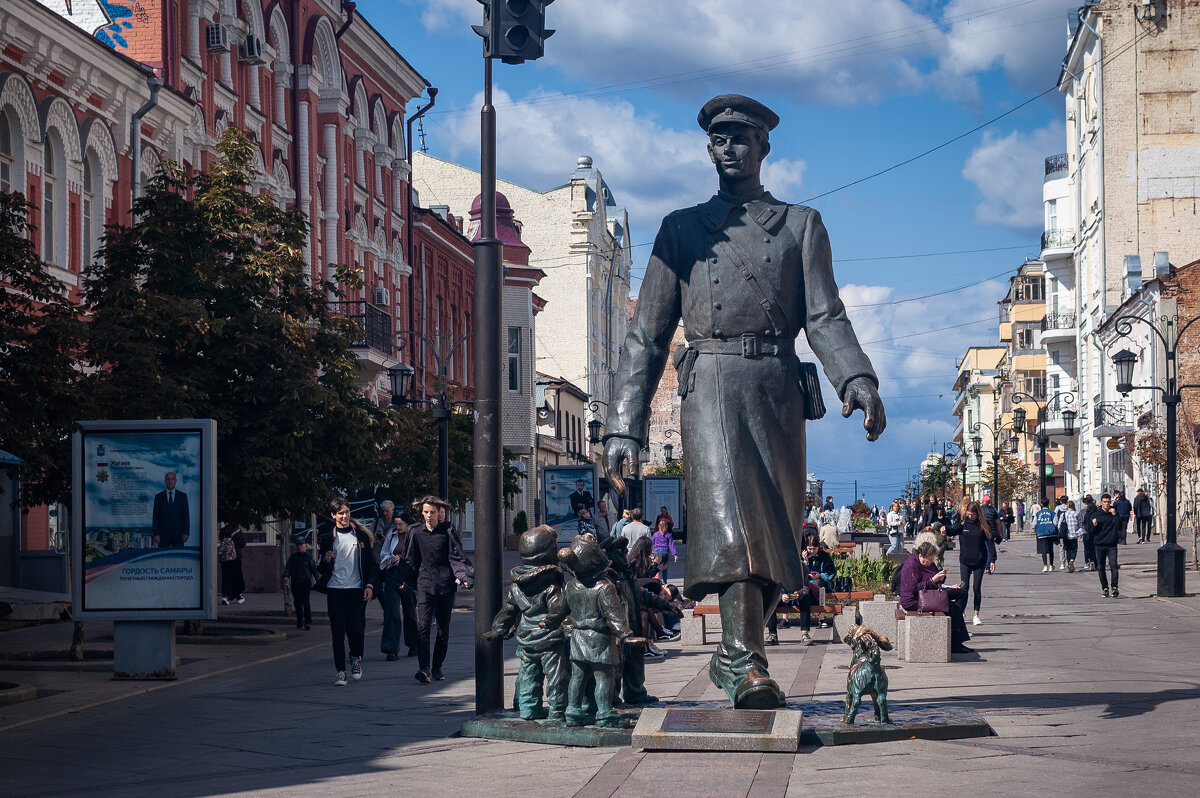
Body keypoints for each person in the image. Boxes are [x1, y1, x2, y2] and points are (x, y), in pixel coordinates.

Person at [603, 94, 884, 709]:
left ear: (764, 147)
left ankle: (743, 652)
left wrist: (857, 379)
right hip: (713, 384)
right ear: (709, 149)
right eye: (719, 139)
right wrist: (623, 425)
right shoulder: (681, 230)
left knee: (775, 529)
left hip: (777, 390)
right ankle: (741, 660)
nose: (729, 148)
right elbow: (646, 335)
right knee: (735, 522)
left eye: (741, 137)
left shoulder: (799, 225)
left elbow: (825, 315)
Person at [406, 496, 473, 683]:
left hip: (445, 586)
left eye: (432, 512)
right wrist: (403, 580)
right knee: (423, 627)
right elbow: (410, 560)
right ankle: (424, 669)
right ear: (422, 512)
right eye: (426, 512)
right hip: (424, 585)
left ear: (439, 513)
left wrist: (464, 577)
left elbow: (456, 557)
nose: (429, 515)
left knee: (443, 631)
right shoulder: (416, 533)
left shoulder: (448, 532)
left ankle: (437, 667)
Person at [315, 497, 378, 686]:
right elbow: (320, 568)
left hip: (356, 590)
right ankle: (340, 670)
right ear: (333, 515)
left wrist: (369, 586)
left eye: (347, 512)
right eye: (340, 513)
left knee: (357, 631)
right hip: (335, 590)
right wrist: (325, 560)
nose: (344, 516)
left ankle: (355, 658)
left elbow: (371, 565)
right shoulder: (328, 537)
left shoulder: (360, 536)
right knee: (337, 632)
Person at [897, 541, 972, 654]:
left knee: (961, 593)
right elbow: (914, 589)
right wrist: (932, 580)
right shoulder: (911, 565)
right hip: (915, 600)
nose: (931, 561)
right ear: (920, 556)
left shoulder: (929, 562)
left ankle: (955, 625)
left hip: (930, 592)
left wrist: (941, 578)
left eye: (933, 559)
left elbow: (935, 579)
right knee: (950, 607)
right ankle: (955, 641)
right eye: (929, 559)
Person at [946, 500, 998, 626]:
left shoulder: (983, 525)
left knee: (976, 588)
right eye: (968, 514)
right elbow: (953, 531)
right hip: (965, 561)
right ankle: (962, 612)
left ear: (977, 514)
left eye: (972, 515)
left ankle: (976, 615)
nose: (970, 516)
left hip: (979, 561)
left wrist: (992, 560)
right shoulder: (964, 523)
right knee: (964, 588)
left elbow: (990, 543)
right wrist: (944, 528)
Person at [378, 513, 417, 661]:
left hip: (408, 575)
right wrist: (390, 559)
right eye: (396, 524)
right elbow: (384, 553)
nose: (398, 527)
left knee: (410, 611)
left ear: (407, 524)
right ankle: (391, 648)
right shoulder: (392, 535)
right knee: (391, 611)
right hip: (392, 574)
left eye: (400, 524)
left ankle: (414, 645)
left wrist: (402, 559)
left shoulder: (414, 536)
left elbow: (417, 556)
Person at [1090, 493, 1122, 598]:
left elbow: (1119, 527)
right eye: (1105, 502)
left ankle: (1114, 587)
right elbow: (1091, 532)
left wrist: (1115, 515)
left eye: (1108, 502)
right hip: (1099, 544)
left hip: (1112, 545)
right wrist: (1094, 526)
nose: (1107, 504)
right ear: (1101, 503)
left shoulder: (1114, 513)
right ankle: (1105, 588)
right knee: (1101, 567)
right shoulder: (1096, 514)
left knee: (1114, 566)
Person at [283, 535, 318, 630]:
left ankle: (308, 621)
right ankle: (299, 621)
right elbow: (288, 567)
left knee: (306, 602)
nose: (299, 546)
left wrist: (319, 582)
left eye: (301, 544)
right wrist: (286, 575)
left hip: (305, 583)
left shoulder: (309, 557)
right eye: (297, 544)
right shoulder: (293, 557)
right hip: (295, 582)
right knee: (297, 603)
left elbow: (315, 571)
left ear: (306, 545)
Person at [151, 472, 190, 547]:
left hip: (179, 535)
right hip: (162, 536)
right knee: (163, 558)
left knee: (178, 557)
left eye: (172, 479)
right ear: (165, 481)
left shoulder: (183, 496)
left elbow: (186, 516)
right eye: (168, 479)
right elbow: (155, 517)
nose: (170, 481)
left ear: (176, 481)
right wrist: (156, 534)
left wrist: (186, 532)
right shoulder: (158, 497)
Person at [217, 525, 246, 605]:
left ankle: (225, 596)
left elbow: (221, 541)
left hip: (225, 559)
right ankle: (238, 596)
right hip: (236, 558)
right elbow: (243, 544)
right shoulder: (238, 531)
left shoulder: (222, 530)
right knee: (236, 577)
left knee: (226, 577)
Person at [1034, 501, 1059, 572]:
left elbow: (1034, 523)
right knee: (1051, 549)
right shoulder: (1052, 513)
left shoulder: (1038, 513)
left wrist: (1035, 530)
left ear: (1041, 504)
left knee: (1043, 549)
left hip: (1041, 533)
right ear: (1048, 504)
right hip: (1051, 533)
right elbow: (1055, 523)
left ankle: (1045, 565)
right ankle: (1051, 565)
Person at [1078, 495, 1097, 570]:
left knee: (1086, 548)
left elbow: (1080, 521)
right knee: (1094, 547)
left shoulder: (1083, 511)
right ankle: (1093, 561)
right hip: (1095, 531)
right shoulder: (1095, 509)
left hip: (1085, 531)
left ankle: (1087, 562)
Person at [1063, 499, 1083, 571]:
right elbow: (1081, 523)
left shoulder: (1064, 514)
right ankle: (1072, 560)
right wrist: (1080, 532)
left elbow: (1060, 524)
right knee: (1074, 549)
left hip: (1067, 534)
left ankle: (1068, 563)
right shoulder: (1077, 513)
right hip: (1074, 534)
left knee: (1068, 550)